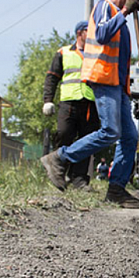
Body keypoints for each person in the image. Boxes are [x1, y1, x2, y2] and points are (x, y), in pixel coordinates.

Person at [41, 0, 139, 208]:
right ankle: (59, 158)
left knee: (130, 137)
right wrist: (124, 13)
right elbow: (101, 34)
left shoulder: (122, 22)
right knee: (110, 131)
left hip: (119, 87)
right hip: (104, 80)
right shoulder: (104, 6)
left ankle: (116, 189)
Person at [42, 21, 99, 189]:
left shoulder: (96, 54)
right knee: (64, 134)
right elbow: (52, 77)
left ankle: (79, 179)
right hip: (69, 102)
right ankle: (58, 173)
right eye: (89, 31)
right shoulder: (63, 52)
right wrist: (48, 100)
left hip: (90, 104)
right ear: (80, 33)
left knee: (86, 141)